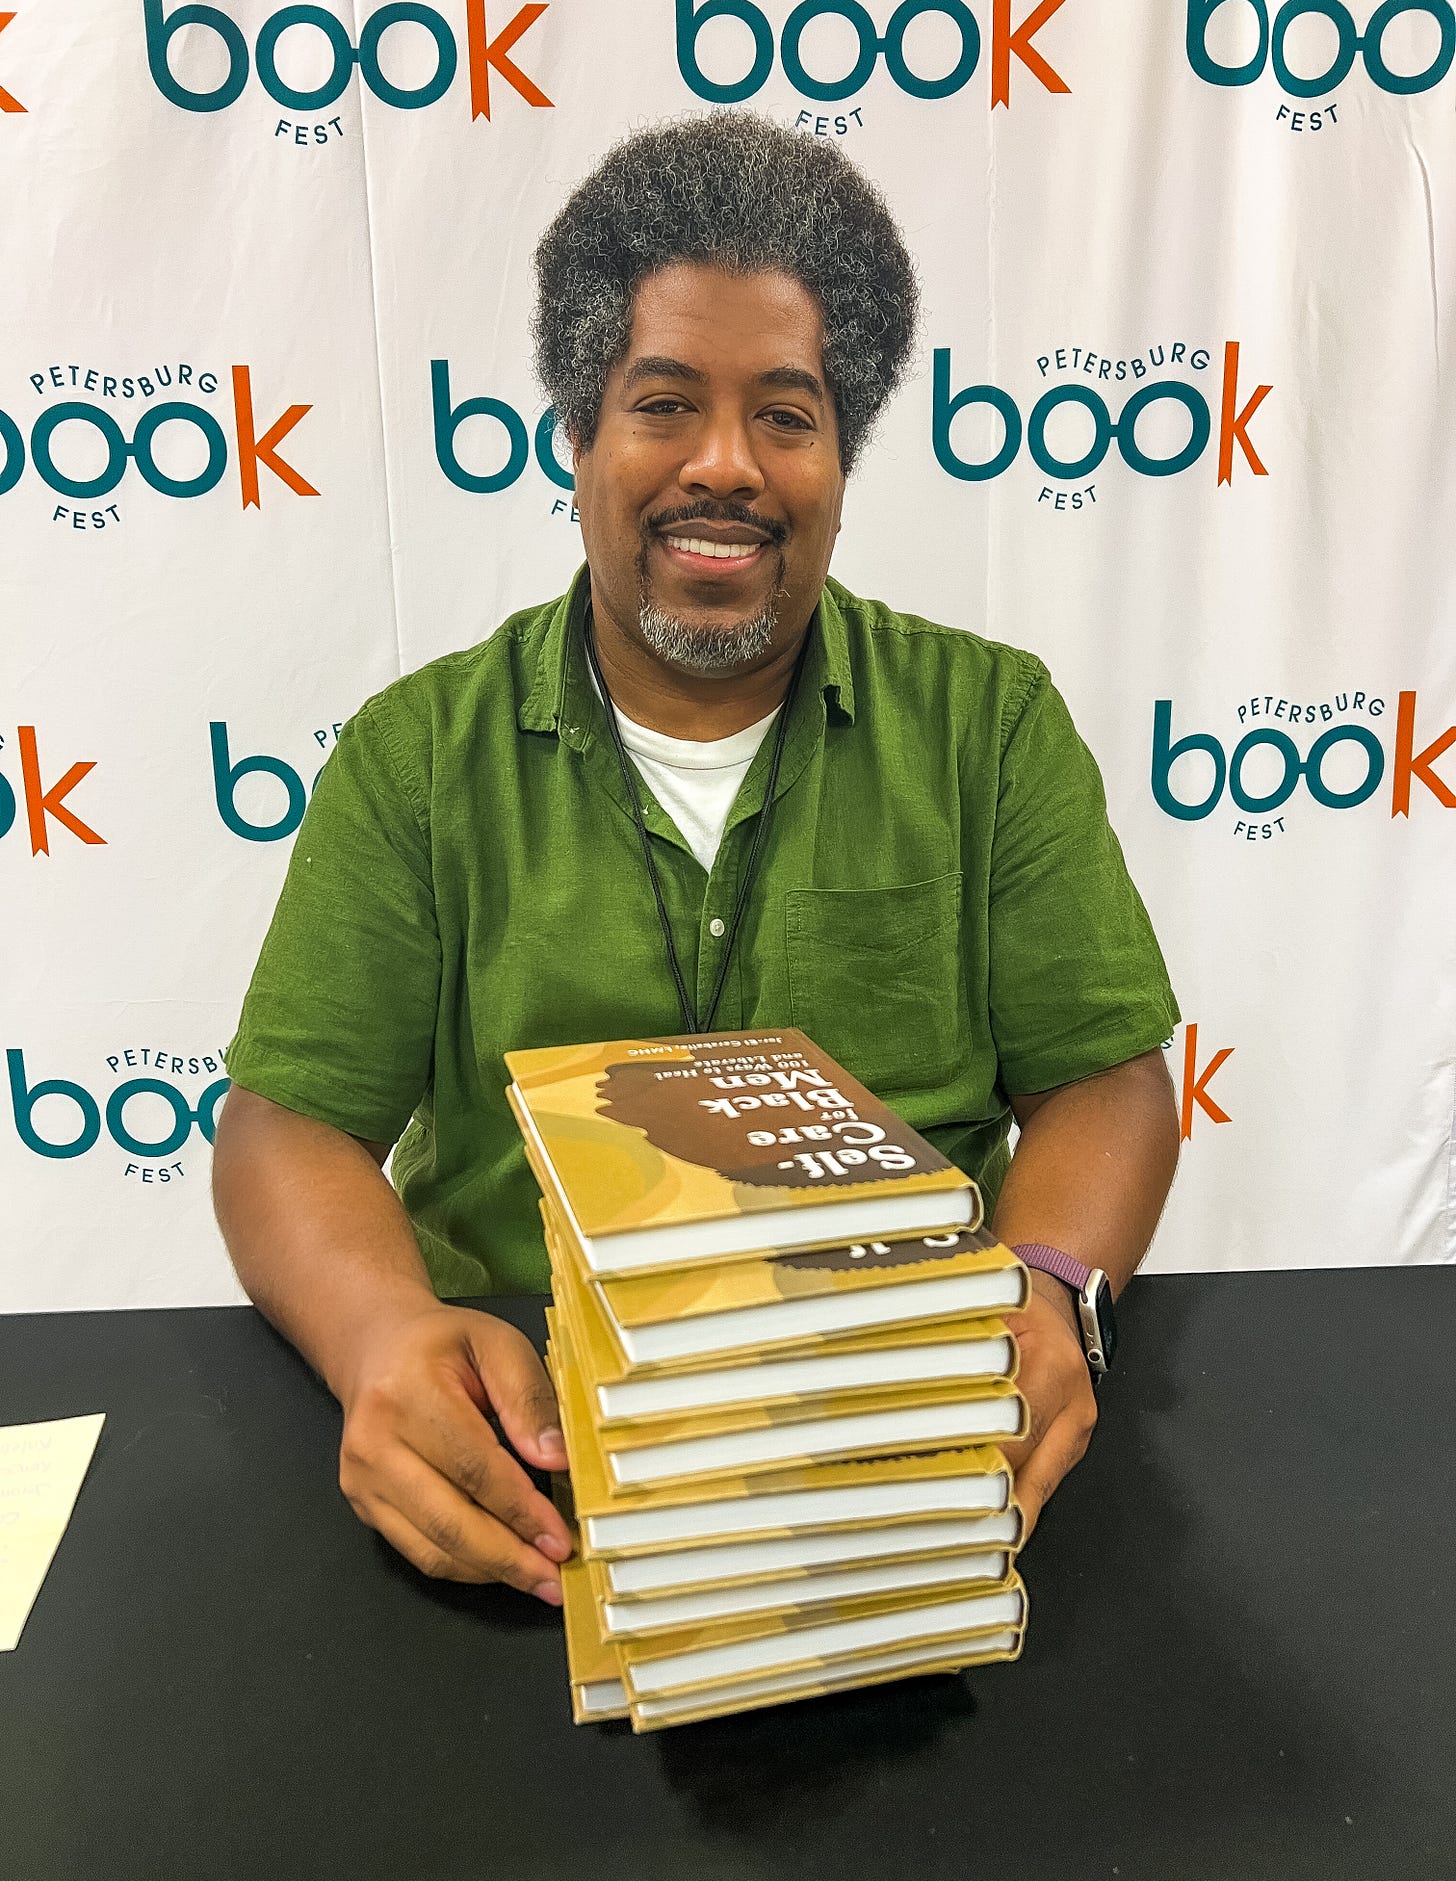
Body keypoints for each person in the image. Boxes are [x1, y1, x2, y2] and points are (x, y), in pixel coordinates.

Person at [213, 113, 1180, 1609]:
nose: (725, 465)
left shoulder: (991, 728)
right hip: (521, 1474)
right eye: (664, 404)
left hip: (896, 1472)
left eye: (786, 417)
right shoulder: (417, 758)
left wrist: (1051, 1284)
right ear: (578, 439)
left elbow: (1105, 1077)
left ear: (842, 459)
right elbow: (285, 1128)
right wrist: (377, 1336)